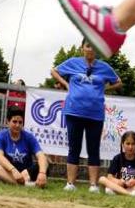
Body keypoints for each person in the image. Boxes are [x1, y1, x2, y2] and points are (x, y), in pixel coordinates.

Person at [51, 38, 123, 193]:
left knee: (93, 149)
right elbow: (54, 71)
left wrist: (105, 89)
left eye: (94, 46)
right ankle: (70, 183)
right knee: (73, 148)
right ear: (82, 47)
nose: (90, 49)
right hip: (74, 111)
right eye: (88, 46)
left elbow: (118, 82)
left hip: (95, 115)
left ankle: (93, 185)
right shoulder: (72, 62)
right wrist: (66, 84)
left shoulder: (104, 67)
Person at [0, 107, 49, 188]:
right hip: (8, 171)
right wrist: (13, 170)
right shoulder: (0, 136)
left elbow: (41, 156)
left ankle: (5, 180)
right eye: (14, 122)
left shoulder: (29, 137)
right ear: (7, 122)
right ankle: (25, 185)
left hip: (25, 173)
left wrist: (42, 173)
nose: (17, 125)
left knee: (44, 164)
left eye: (20, 122)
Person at [98, 131, 135, 197]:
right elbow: (110, 176)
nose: (130, 147)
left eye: (133, 144)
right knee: (102, 179)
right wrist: (118, 181)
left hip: (133, 187)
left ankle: (120, 193)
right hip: (120, 185)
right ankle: (129, 194)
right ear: (123, 144)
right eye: (128, 144)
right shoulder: (117, 158)